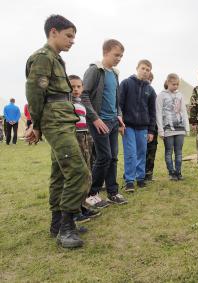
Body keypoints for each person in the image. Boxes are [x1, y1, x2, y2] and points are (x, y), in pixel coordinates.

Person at [25, 14, 91, 248]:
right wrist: (36, 124)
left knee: (60, 172)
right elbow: (35, 93)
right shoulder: (43, 58)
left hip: (64, 120)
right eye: (69, 36)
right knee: (79, 172)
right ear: (53, 32)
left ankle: (57, 224)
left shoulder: (57, 59)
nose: (72, 41)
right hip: (55, 122)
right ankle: (66, 228)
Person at [81, 39, 128, 206]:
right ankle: (91, 193)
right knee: (104, 157)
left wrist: (119, 114)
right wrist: (95, 118)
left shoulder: (114, 73)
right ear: (106, 52)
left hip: (113, 121)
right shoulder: (94, 70)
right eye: (116, 55)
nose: (119, 58)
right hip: (100, 122)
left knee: (113, 158)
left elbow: (116, 98)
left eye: (121, 56)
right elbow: (83, 95)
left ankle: (112, 193)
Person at [119, 59, 156, 192]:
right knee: (131, 153)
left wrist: (151, 130)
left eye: (148, 69)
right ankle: (129, 181)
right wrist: (120, 123)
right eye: (143, 68)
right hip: (128, 126)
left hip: (143, 128)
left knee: (142, 153)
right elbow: (119, 105)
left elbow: (152, 112)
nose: (145, 71)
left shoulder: (150, 90)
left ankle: (140, 179)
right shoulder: (126, 83)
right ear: (137, 68)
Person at [69, 75, 101, 223]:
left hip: (86, 137)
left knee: (87, 172)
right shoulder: (67, 103)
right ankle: (74, 210)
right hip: (75, 138)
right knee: (79, 174)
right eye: (72, 86)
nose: (75, 89)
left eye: (78, 86)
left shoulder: (82, 103)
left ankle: (82, 206)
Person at [156, 73, 190, 180]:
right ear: (168, 83)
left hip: (180, 129)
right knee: (169, 152)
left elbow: (184, 111)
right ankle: (171, 173)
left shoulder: (180, 95)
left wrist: (187, 127)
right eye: (173, 84)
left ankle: (178, 172)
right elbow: (158, 113)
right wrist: (160, 130)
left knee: (179, 152)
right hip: (168, 129)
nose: (175, 86)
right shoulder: (161, 95)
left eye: (177, 84)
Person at [145, 72, 158, 182]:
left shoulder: (152, 92)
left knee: (151, 151)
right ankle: (136, 174)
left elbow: (154, 111)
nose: (148, 81)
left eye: (150, 79)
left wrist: (153, 129)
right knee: (139, 152)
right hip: (140, 126)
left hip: (152, 126)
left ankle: (149, 175)